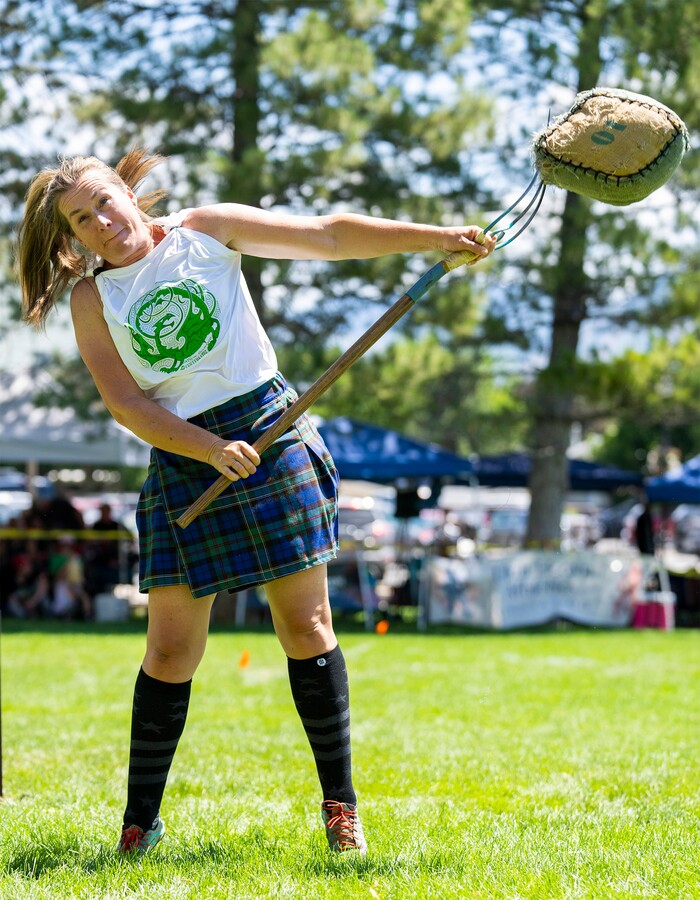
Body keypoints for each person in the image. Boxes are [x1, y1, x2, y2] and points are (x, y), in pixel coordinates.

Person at [17, 149, 496, 857]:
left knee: (305, 628)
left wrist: (436, 239)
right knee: (172, 649)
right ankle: (138, 824)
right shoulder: (92, 299)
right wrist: (204, 448)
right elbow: (124, 403)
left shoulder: (204, 230)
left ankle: (342, 813)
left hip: (270, 435)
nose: (103, 221)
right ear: (72, 237)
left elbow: (328, 235)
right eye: (83, 219)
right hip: (186, 457)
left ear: (130, 190)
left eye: (106, 201)